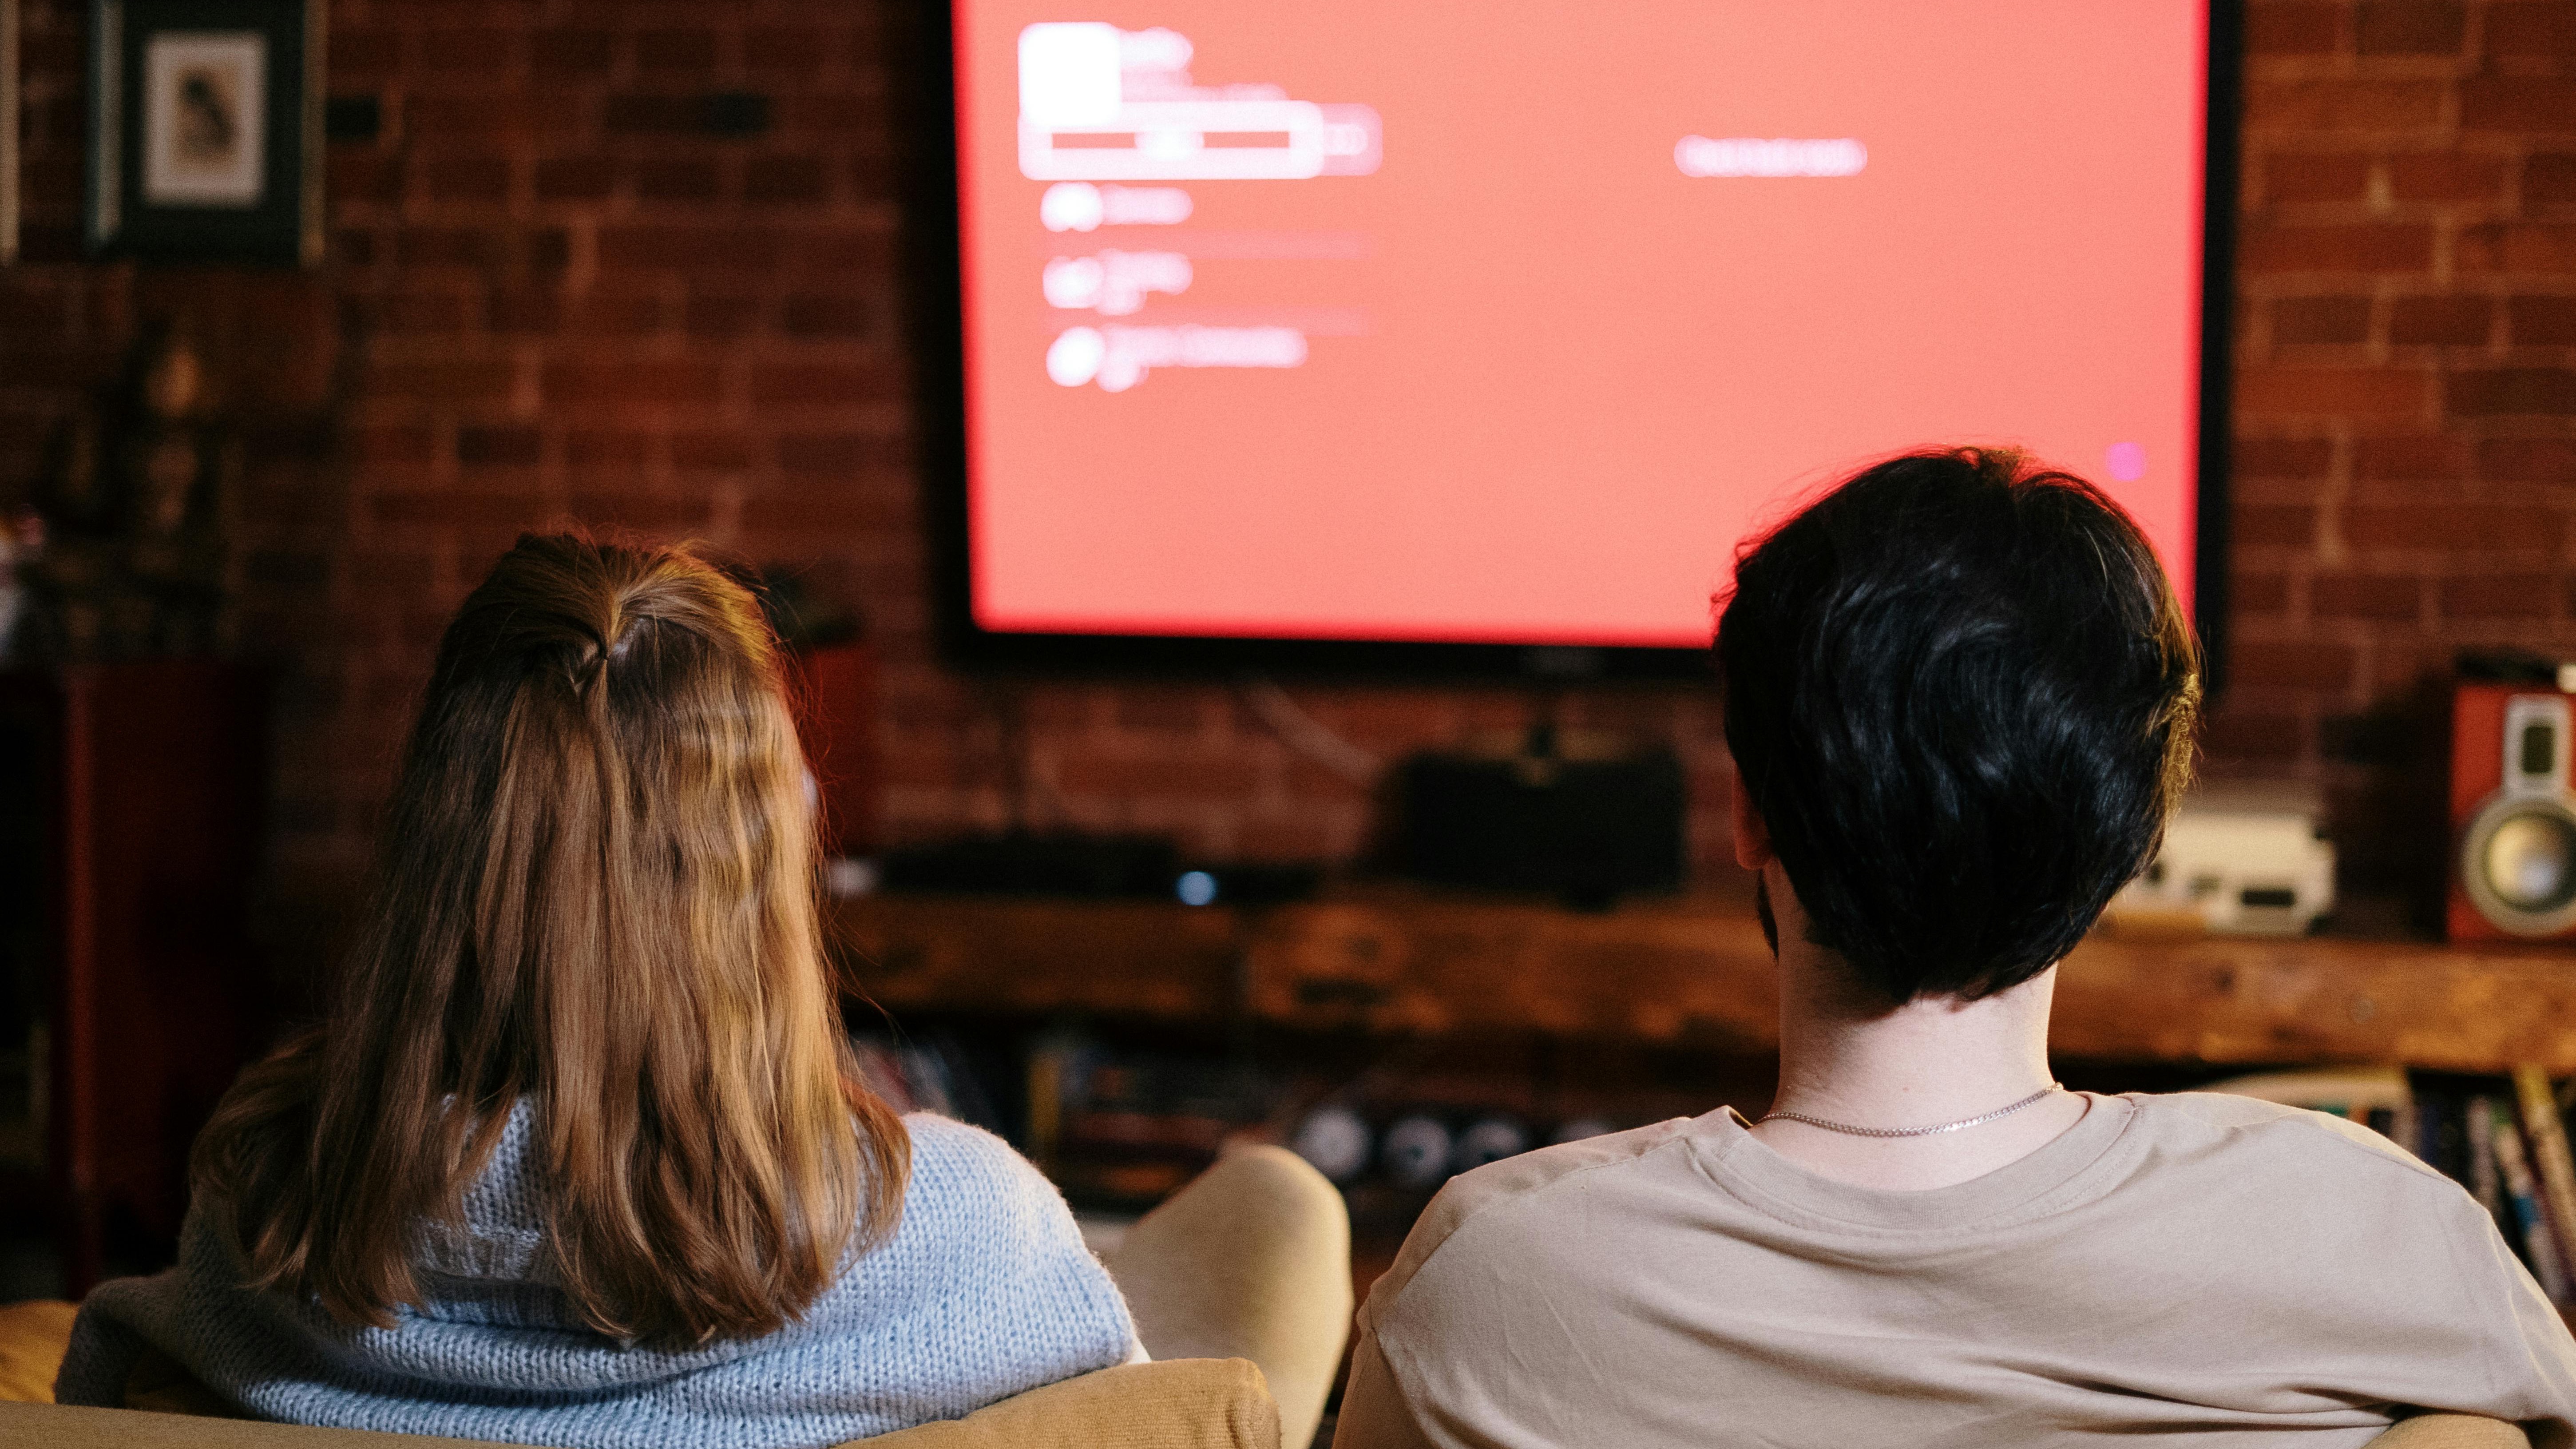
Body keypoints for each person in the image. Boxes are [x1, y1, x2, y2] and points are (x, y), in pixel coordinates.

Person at [1336, 448, 2576, 1448]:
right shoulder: (2386, 1239)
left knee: (1278, 1212)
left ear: (1751, 812)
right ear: (2133, 841)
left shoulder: (1487, 1279)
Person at [55, 537, 1140, 1447]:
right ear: (762, 866)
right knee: (1239, 1226)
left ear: (433, 845)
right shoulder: (964, 1231)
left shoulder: (264, 1212)